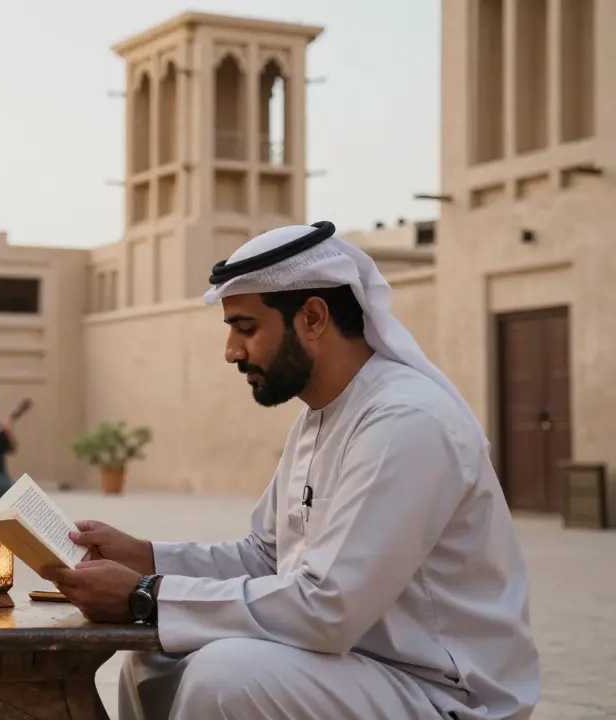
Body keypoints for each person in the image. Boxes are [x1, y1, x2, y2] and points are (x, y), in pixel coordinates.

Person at [44, 221, 540, 720]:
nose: (232, 352)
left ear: (313, 318)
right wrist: (143, 556)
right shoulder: (319, 417)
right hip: (355, 664)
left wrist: (145, 595)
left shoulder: (405, 421)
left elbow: (329, 607)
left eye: (246, 328)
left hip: (438, 692)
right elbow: (267, 559)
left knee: (227, 677)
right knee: (156, 657)